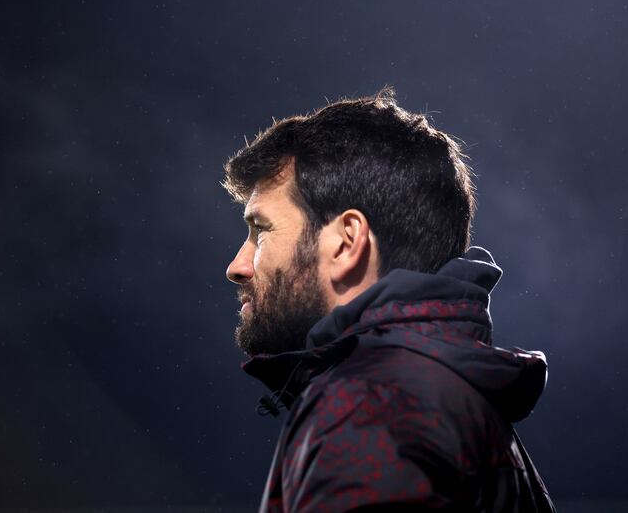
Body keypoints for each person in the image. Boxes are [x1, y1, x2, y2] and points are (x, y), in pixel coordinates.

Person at [221, 89, 556, 512]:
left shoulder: (372, 406)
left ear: (346, 243)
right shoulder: (439, 396)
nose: (237, 265)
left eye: (261, 230)